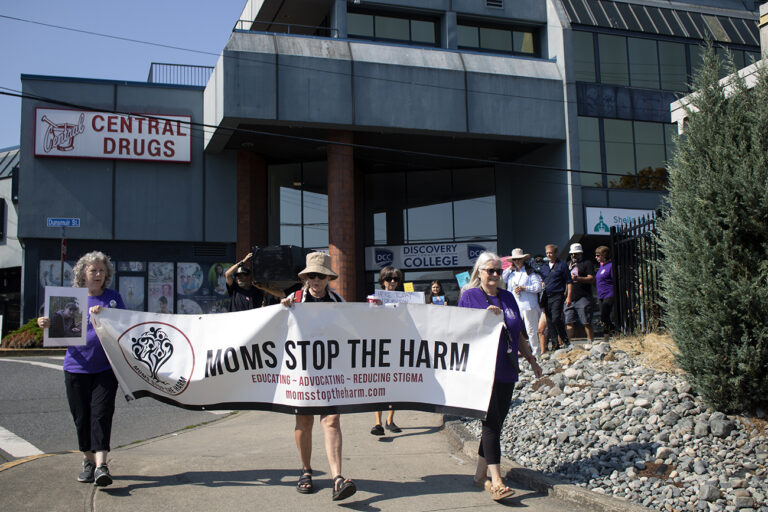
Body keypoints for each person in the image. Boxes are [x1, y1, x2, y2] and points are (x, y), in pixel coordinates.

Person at [458, 252, 542, 501]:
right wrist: (485, 319)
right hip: (482, 371)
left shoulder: (508, 297)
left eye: (498, 271)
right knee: (491, 423)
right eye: (490, 271)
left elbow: (518, 335)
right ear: (479, 272)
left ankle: (479, 474)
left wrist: (532, 360)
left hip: (507, 368)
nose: (494, 275)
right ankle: (496, 480)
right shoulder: (470, 297)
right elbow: (460, 332)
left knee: (497, 423)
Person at [36, 251, 125, 487]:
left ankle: (101, 464)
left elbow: (125, 325)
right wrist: (43, 323)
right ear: (83, 274)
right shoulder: (71, 299)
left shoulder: (113, 298)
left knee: (102, 415)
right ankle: (88, 460)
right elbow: (52, 322)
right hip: (76, 367)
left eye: (101, 270)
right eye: (93, 270)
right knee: (81, 417)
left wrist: (108, 315)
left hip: (106, 368)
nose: (98, 274)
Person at [280, 252, 356, 501]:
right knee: (304, 421)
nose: (315, 279)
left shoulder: (337, 300)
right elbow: (278, 330)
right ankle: (306, 470)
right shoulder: (294, 299)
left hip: (331, 371)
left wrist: (374, 313)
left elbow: (356, 328)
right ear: (305, 277)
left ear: (328, 278)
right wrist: (283, 311)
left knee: (332, 419)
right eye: (311, 275)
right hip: (302, 371)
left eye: (320, 275)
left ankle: (337, 477)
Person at [370, 266, 404, 436]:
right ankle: (378, 423)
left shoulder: (404, 299)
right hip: (379, 345)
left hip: (397, 343)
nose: (392, 282)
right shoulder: (373, 298)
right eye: (388, 279)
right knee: (379, 383)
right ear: (382, 281)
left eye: (395, 279)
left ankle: (390, 420)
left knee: (395, 383)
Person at [502, 248, 542, 356]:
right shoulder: (511, 274)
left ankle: (536, 351)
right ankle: (518, 350)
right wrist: (510, 268)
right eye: (515, 260)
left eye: (519, 259)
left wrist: (525, 288)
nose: (517, 261)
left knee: (531, 330)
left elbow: (538, 287)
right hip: (516, 305)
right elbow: (503, 280)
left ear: (523, 260)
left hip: (529, 304)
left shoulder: (530, 272)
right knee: (515, 329)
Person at [539, 244, 572, 350]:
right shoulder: (544, 267)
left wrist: (569, 297)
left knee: (556, 318)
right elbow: (542, 279)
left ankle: (565, 340)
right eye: (547, 253)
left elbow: (569, 281)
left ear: (556, 253)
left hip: (558, 294)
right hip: (546, 296)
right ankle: (554, 344)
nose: (549, 254)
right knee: (549, 320)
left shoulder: (562, 265)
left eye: (550, 252)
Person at [564, 243, 596, 343]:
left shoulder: (587, 263)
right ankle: (568, 343)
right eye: (572, 254)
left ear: (581, 253)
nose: (574, 256)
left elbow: (591, 278)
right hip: (570, 296)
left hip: (583, 295)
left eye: (576, 254)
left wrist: (578, 278)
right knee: (569, 321)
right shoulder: (568, 264)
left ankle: (590, 340)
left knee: (586, 321)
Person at [595, 246, 616, 342]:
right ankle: (606, 337)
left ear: (604, 256)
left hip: (609, 294)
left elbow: (614, 280)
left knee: (605, 316)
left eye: (598, 255)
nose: (596, 257)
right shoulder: (601, 267)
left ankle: (615, 332)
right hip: (601, 295)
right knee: (603, 317)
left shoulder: (610, 266)